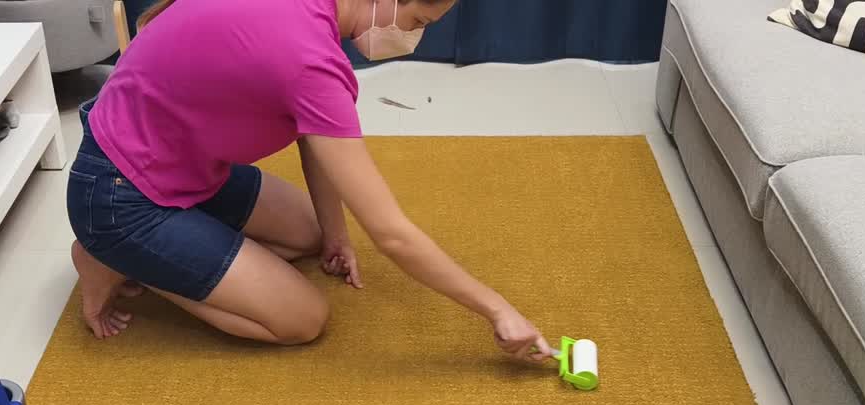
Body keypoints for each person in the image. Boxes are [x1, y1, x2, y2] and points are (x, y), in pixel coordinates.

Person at [68, 0, 552, 362]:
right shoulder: (309, 62)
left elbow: (311, 135)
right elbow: (391, 234)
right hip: (117, 192)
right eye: (419, 23)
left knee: (310, 234)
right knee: (302, 318)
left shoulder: (316, 14)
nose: (413, 39)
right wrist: (497, 308)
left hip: (178, 160)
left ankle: (156, 245)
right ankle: (107, 254)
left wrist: (336, 234)